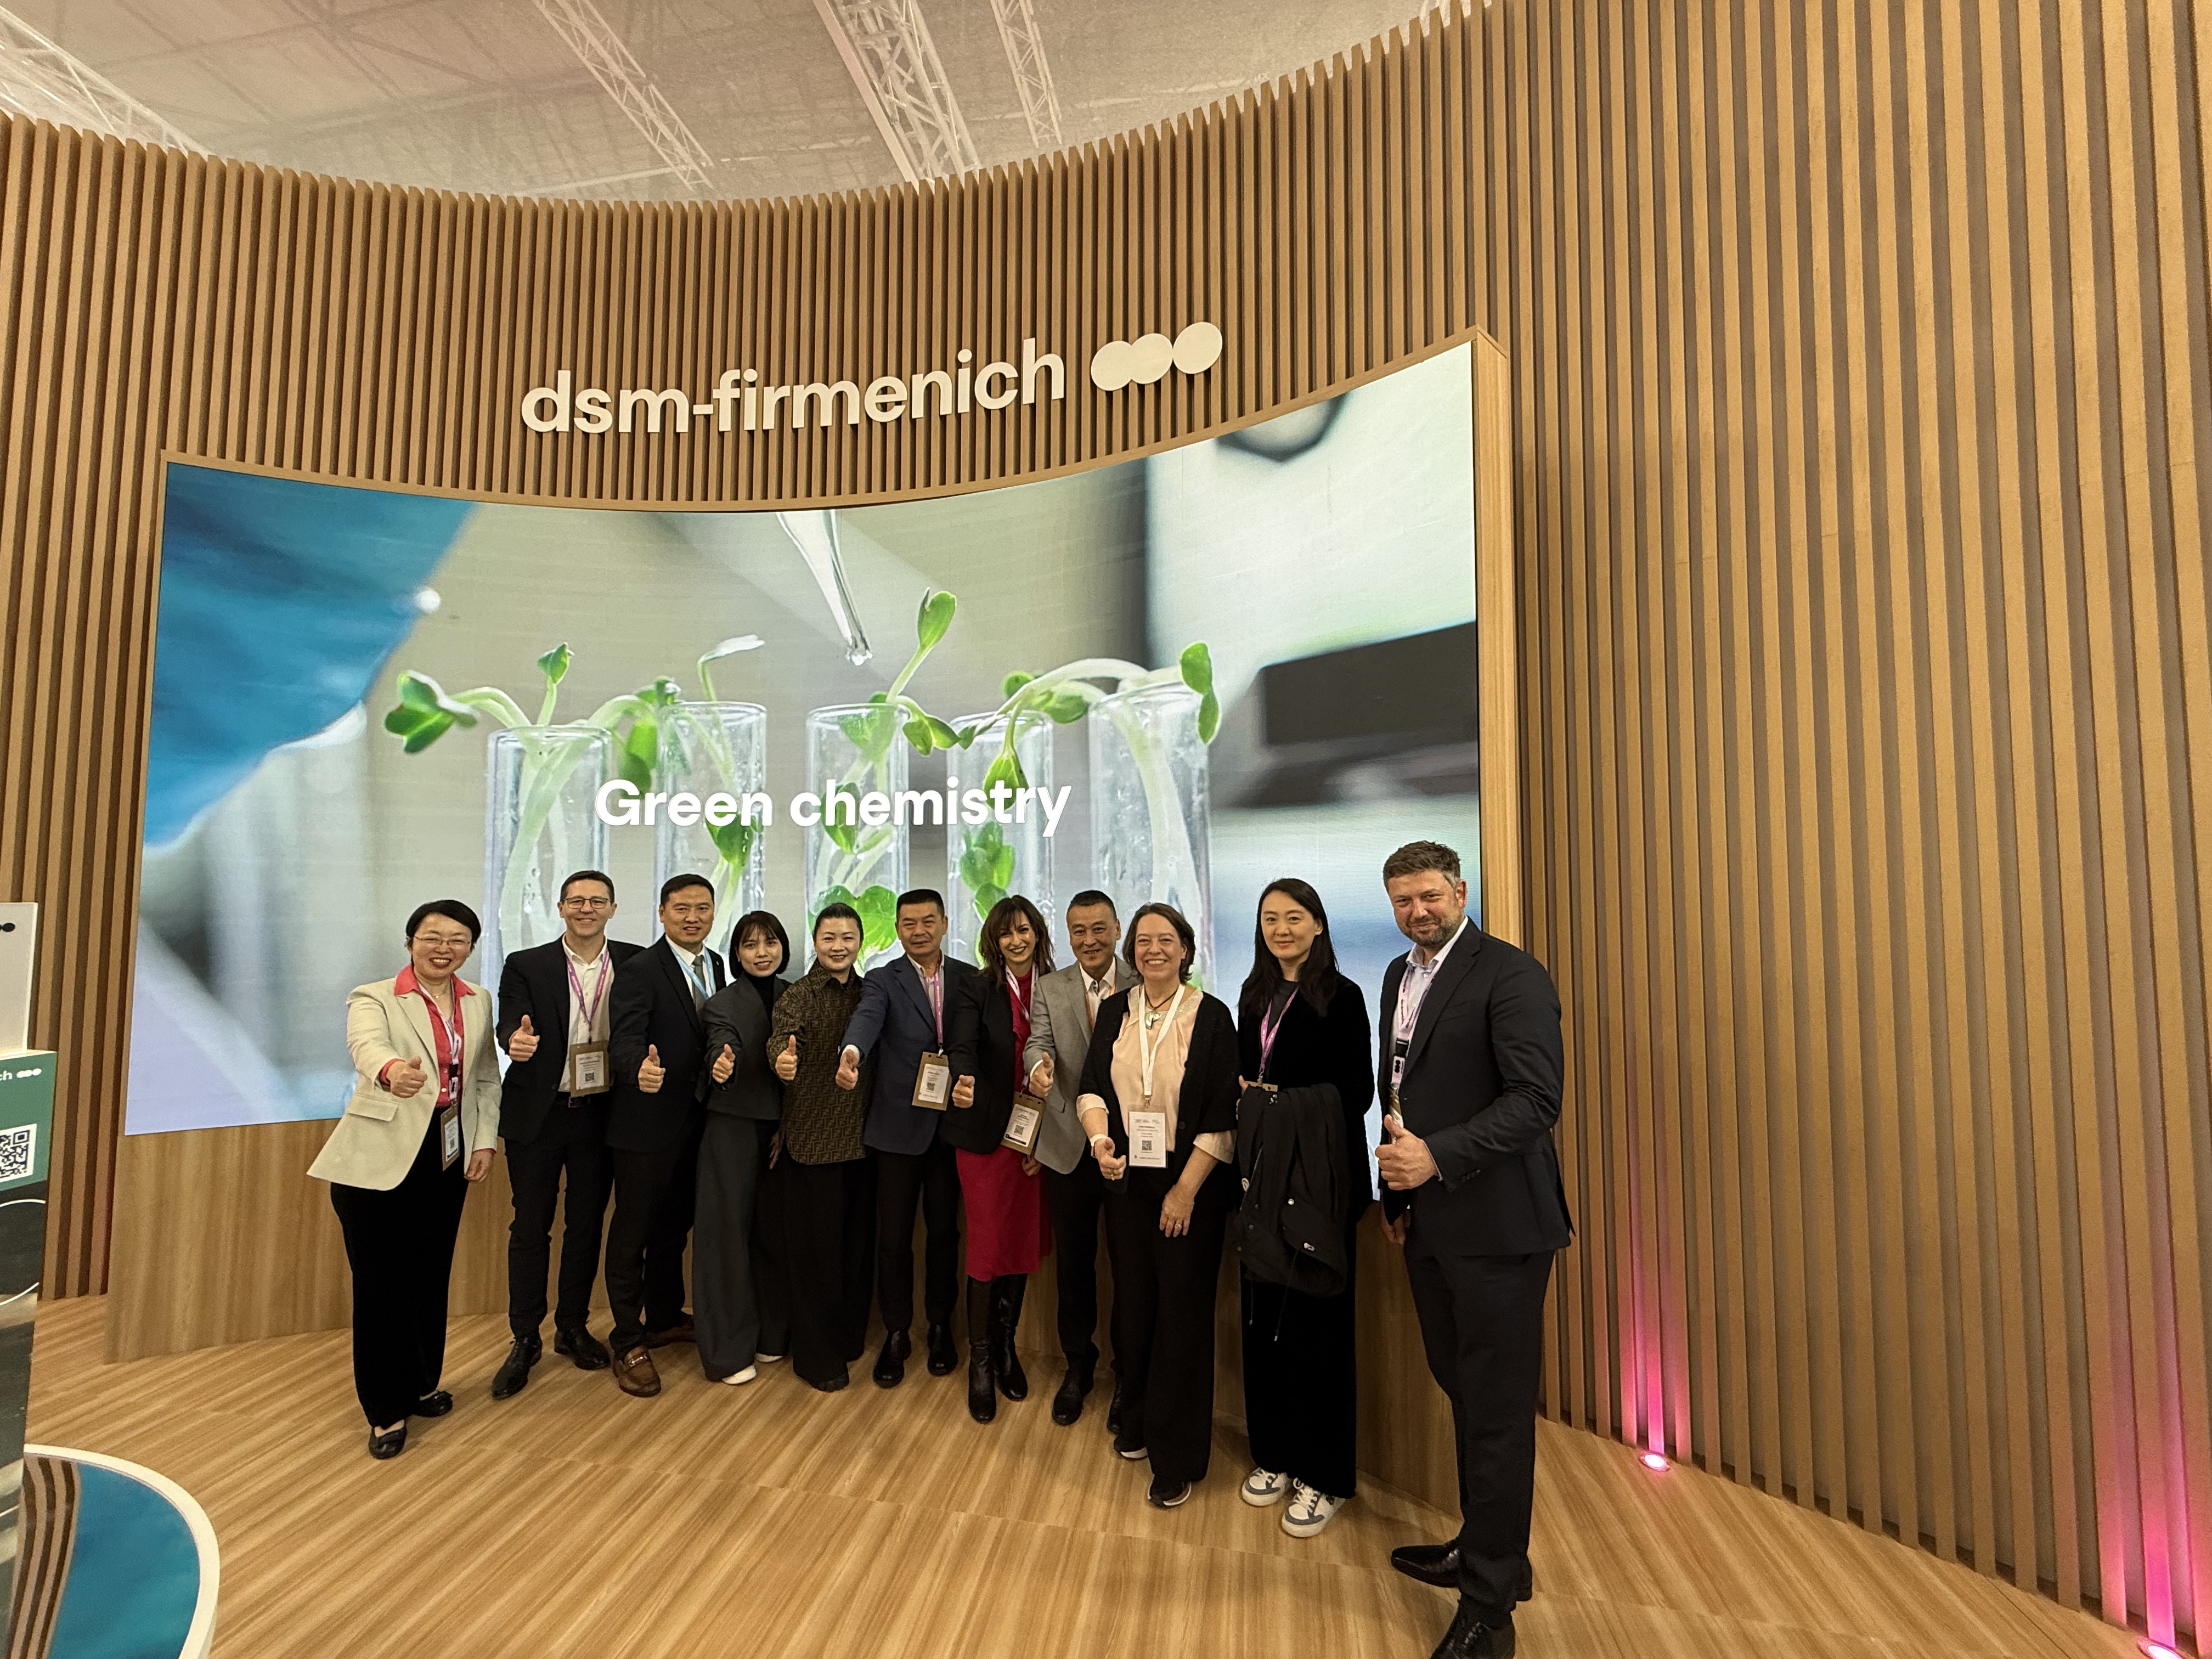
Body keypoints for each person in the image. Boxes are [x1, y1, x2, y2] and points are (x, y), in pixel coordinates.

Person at [1373, 842, 1570, 1659]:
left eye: (1430, 896)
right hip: (1432, 1225)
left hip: (1498, 1231)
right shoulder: (1399, 974)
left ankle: (1490, 1611)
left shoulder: (1511, 974)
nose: (1417, 911)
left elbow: (1536, 1100)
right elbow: (1397, 1091)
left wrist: (1437, 1158)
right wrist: (1398, 1195)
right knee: (1466, 1391)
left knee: (1496, 1417)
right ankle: (1488, 1550)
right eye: (1403, 900)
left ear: (1460, 891)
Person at [309, 900, 499, 1459]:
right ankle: (384, 1409)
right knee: (381, 1286)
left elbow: (485, 1077)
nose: (444, 948)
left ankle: (420, 1383)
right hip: (379, 1158)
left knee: (429, 1274)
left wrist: (484, 1139)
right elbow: (366, 1046)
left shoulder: (478, 999)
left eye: (458, 939)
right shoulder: (374, 996)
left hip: (446, 1152)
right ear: (411, 941)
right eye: (432, 937)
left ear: (471, 948)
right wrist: (392, 1071)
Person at [1074, 901, 1240, 1509]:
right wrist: (1101, 1143)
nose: (1153, 950)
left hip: (1189, 1184)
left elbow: (1223, 1116)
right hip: (1126, 1179)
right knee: (1136, 1305)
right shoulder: (1116, 1010)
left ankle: (1178, 1457)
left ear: (1185, 949)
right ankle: (1140, 1419)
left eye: (1165, 940)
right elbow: (1092, 1087)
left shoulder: (1212, 1016)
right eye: (1144, 941)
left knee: (1181, 1315)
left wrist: (1185, 1190)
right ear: (1132, 950)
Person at [1233, 878, 1374, 1536]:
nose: (1281, 929)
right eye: (1270, 918)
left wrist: (1275, 1102)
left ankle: (1325, 1476)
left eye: (1294, 917)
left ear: (1318, 925)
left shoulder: (1342, 997)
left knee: (1319, 1331)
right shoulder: (1253, 995)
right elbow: (1242, 1079)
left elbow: (1356, 1093)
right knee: (1263, 1322)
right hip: (1263, 1182)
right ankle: (1276, 1454)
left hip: (1320, 1185)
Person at [489, 870, 641, 1400]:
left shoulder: (635, 962)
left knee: (586, 1225)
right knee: (530, 1226)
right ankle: (524, 1337)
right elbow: (510, 1022)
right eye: (576, 901)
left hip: (601, 1114)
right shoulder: (526, 964)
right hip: (540, 1113)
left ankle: (572, 1327)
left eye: (597, 901)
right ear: (560, 908)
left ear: (613, 909)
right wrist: (514, 1041)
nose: (586, 909)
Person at [834, 889, 978, 1387]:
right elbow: (867, 1019)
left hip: (950, 1127)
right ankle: (897, 1332)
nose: (919, 931)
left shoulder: (969, 978)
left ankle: (940, 1327)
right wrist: (852, 1051)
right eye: (909, 924)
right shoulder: (882, 979)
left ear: (944, 923)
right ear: (897, 929)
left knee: (944, 1234)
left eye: (927, 921)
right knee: (893, 1238)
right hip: (897, 1129)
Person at [604, 874, 727, 1398]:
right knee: (633, 1231)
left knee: (675, 1227)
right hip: (646, 1123)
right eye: (681, 909)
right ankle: (627, 1339)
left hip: (698, 1121)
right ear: (662, 913)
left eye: (702, 908)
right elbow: (624, 1037)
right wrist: (639, 1069)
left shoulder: (716, 964)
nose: (692, 918)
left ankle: (664, 1316)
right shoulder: (640, 969)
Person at [1023, 889, 1136, 1428]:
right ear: (1067, 935)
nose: (1089, 940)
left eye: (1098, 929)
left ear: (1117, 929)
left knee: (1130, 1265)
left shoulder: (1143, 979)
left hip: (1129, 1146)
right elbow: (1038, 1041)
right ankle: (1078, 1365)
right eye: (1078, 931)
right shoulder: (1052, 986)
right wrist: (1038, 1067)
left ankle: (1128, 1373)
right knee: (1074, 1266)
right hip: (1068, 1144)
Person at [944, 894, 1057, 1423]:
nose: (1016, 940)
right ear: (994, 940)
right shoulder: (976, 987)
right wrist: (963, 1078)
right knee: (988, 1247)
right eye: (1006, 932)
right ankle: (982, 1360)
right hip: (987, 1136)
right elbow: (961, 1047)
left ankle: (1008, 1345)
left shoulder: (1054, 985)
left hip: (1036, 1136)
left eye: (1024, 930)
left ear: (1038, 934)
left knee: (1021, 1240)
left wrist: (1044, 1139)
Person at [769, 903, 877, 1391]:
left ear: (860, 942)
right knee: (814, 1259)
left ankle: (848, 1340)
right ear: (815, 943)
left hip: (864, 1144)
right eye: (829, 937)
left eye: (847, 937)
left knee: (854, 1253)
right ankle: (814, 1357)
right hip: (812, 1144)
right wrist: (782, 1061)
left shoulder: (870, 993)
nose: (838, 946)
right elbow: (781, 1041)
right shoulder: (799, 995)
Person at [695, 910, 793, 1386]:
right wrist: (722, 1065)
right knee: (726, 1238)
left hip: (784, 1130)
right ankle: (727, 1352)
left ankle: (772, 1333)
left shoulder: (795, 995)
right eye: (750, 945)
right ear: (736, 953)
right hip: (732, 1126)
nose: (762, 953)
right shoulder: (721, 1004)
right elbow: (721, 1045)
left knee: (774, 1233)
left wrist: (787, 1125)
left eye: (770, 943)